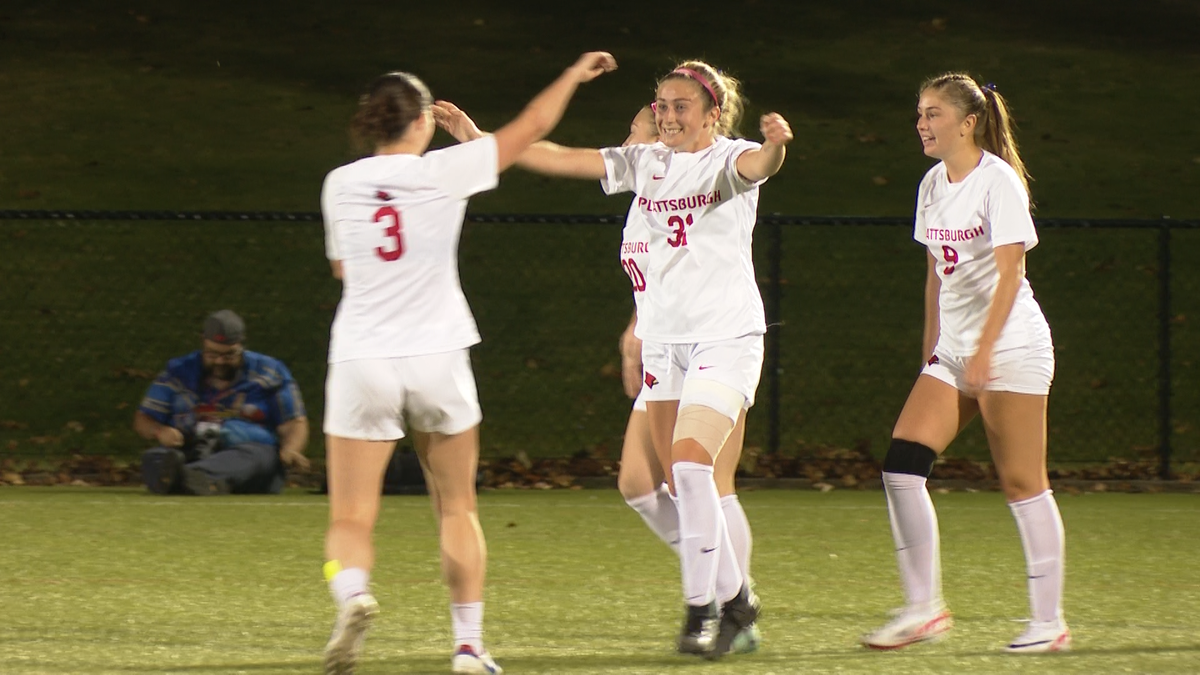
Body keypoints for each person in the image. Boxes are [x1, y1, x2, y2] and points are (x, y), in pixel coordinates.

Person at [439, 60, 792, 659]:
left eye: (682, 105)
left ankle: (701, 609)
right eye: (662, 105)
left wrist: (776, 146)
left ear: (712, 113)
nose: (668, 115)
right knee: (657, 483)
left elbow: (758, 165)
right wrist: (481, 143)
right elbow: (557, 156)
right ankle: (739, 600)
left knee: (688, 468)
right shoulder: (645, 164)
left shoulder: (726, 159)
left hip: (725, 339)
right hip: (664, 342)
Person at [318, 51, 617, 675]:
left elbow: (345, 268)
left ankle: (353, 594)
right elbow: (533, 127)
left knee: (350, 516)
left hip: (363, 355)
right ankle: (468, 647)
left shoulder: (340, 183)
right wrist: (571, 74)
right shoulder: (447, 172)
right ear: (425, 120)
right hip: (437, 352)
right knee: (456, 507)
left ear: (370, 121)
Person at [861, 73, 1069, 654]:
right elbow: (936, 274)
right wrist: (936, 348)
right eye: (919, 114)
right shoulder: (932, 183)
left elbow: (1011, 275)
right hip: (955, 351)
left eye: (933, 114)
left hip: (1012, 347)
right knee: (902, 466)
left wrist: (982, 352)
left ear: (968, 122)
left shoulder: (996, 180)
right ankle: (923, 610)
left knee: (1024, 483)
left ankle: (1048, 623)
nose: (922, 124)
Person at [613, 105, 759, 655]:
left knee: (704, 483)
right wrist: (635, 333)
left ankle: (728, 607)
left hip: (716, 343)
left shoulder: (705, 180)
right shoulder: (644, 199)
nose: (630, 139)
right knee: (637, 483)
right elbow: (658, 280)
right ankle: (726, 588)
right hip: (665, 350)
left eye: (639, 131)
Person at [135, 309, 311, 495]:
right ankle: (200, 481)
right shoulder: (178, 371)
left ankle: (188, 477)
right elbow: (143, 419)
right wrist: (160, 431)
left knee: (262, 458)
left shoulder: (269, 372)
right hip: (191, 448)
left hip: (247, 453)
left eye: (229, 356)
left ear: (241, 345)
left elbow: (294, 422)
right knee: (156, 458)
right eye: (212, 354)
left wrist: (290, 450)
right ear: (203, 342)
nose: (220, 361)